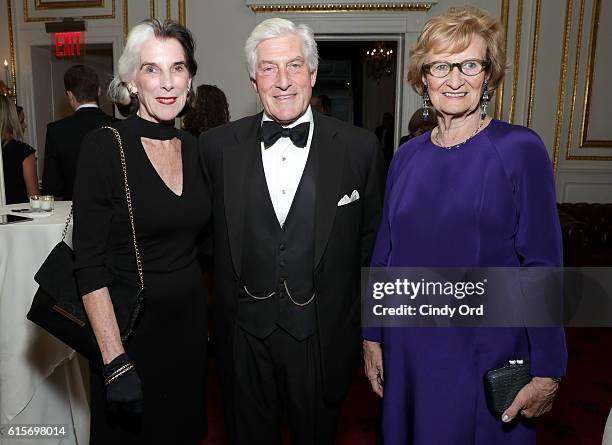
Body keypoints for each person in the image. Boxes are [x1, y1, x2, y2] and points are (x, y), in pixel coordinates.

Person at [362, 6, 567, 444]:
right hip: (409, 353)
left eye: (469, 64)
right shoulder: (406, 156)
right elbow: (386, 252)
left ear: (487, 75)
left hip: (481, 353)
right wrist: (372, 335)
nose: (455, 80)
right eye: (441, 66)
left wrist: (549, 368)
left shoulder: (519, 149)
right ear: (424, 78)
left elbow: (542, 263)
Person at [200, 17, 383, 445]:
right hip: (243, 335)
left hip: (319, 337)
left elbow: (370, 247)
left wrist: (372, 334)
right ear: (253, 78)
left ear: (313, 73)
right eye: (269, 68)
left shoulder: (359, 148)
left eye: (294, 66)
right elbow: (203, 239)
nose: (282, 81)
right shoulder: (215, 147)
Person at [72, 19, 209, 444]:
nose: (166, 82)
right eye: (152, 69)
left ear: (190, 79)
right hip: (131, 336)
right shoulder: (103, 146)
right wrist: (114, 360)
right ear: (131, 82)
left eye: (178, 68)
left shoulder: (195, 148)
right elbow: (89, 263)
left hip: (188, 336)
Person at [42, 64, 116, 200]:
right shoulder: (119, 126)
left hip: (73, 210)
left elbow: (51, 187)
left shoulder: (56, 131)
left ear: (70, 95)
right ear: (99, 91)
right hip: (114, 212)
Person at [0, 95, 39, 204]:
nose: (25, 125)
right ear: (11, 118)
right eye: (21, 121)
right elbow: (34, 198)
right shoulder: (23, 152)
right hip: (17, 218)